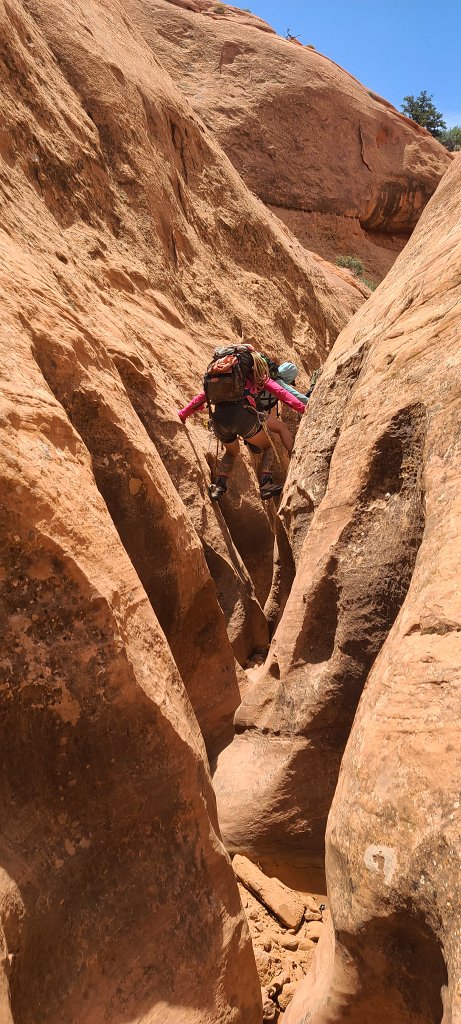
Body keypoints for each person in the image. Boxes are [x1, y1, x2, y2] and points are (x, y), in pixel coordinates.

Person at [178, 345, 306, 501]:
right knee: (268, 447)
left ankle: (219, 486)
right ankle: (266, 484)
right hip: (243, 417)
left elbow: (202, 397)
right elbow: (282, 393)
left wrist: (183, 414)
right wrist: (303, 409)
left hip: (219, 419)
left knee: (231, 452)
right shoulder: (255, 375)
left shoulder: (222, 378)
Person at [256, 360, 308, 455]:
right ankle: (294, 455)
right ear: (289, 377)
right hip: (255, 412)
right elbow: (297, 397)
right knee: (282, 427)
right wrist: (312, 402)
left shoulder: (265, 375)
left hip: (249, 405)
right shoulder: (278, 382)